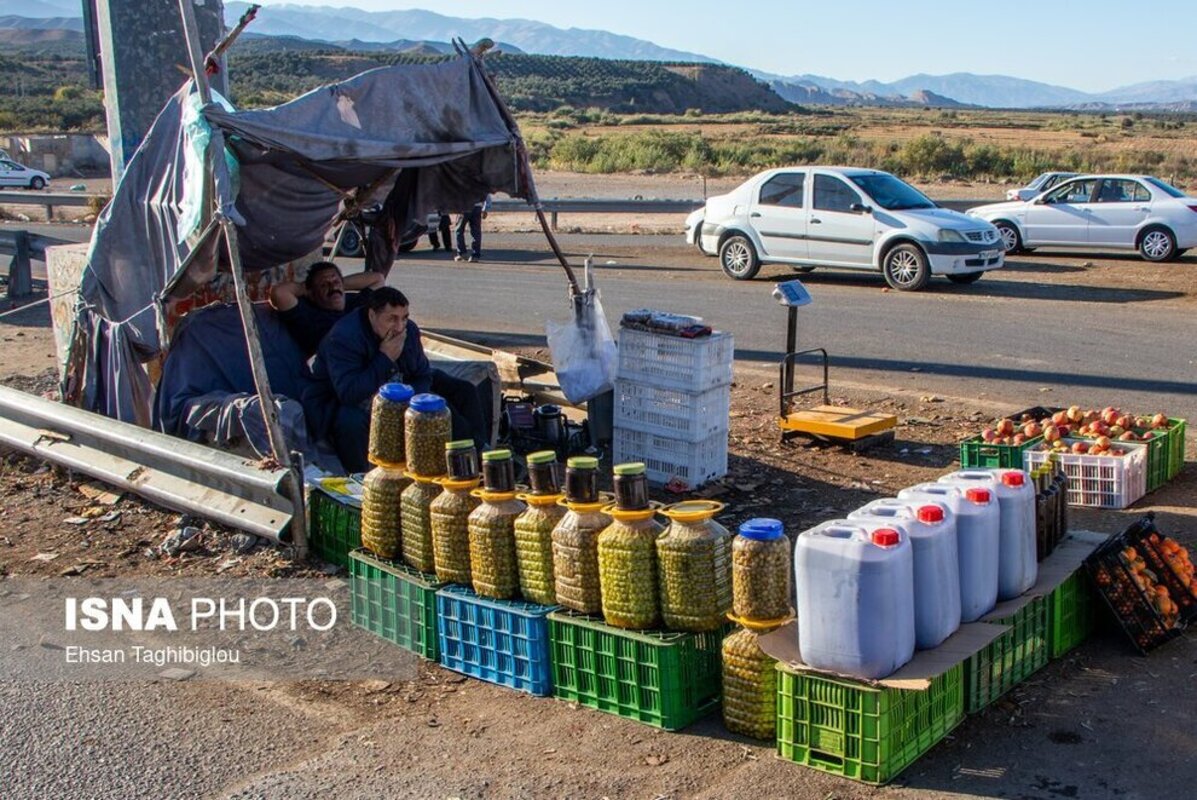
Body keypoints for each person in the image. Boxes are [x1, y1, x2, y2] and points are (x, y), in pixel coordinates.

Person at [305, 287, 487, 473]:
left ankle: (478, 456)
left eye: (404, 318)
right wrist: (385, 358)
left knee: (462, 391)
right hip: (344, 399)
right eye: (392, 319)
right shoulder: (343, 337)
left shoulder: (408, 331)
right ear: (372, 315)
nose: (399, 327)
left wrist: (414, 400)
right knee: (349, 422)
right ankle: (360, 477)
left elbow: (422, 374)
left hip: (401, 389)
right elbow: (349, 393)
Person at [269, 261, 384, 358]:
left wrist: (341, 284)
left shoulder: (351, 301)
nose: (333, 287)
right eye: (324, 285)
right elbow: (279, 293)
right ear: (312, 294)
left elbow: (378, 279)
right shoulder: (308, 315)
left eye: (335, 282)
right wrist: (307, 289)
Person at [454, 195, 491, 263]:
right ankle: (475, 255)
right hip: (477, 207)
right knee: (476, 232)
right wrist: (485, 209)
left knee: (459, 230)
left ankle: (462, 253)